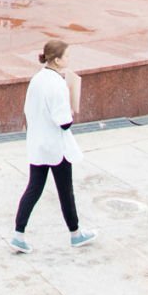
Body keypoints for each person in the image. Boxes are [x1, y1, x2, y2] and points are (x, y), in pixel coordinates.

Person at [8, 39, 97, 253]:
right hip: (57, 147)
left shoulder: (37, 79)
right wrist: (71, 111)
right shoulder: (57, 85)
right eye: (67, 56)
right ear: (57, 60)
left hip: (38, 144)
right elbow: (64, 122)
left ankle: (18, 234)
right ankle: (75, 234)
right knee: (65, 191)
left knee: (34, 188)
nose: (69, 59)